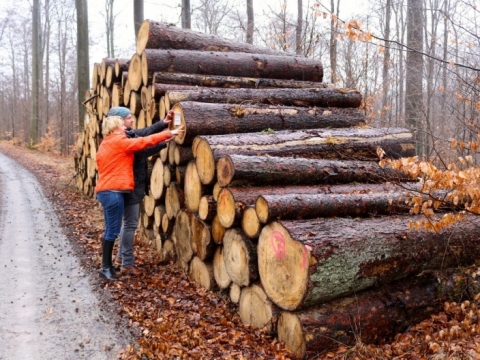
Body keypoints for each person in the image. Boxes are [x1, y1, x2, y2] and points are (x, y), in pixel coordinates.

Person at [95, 115, 184, 281]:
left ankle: (109, 267)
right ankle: (105, 268)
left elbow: (141, 138)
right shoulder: (117, 141)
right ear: (114, 128)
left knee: (111, 230)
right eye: (122, 125)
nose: (125, 128)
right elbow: (143, 142)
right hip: (112, 192)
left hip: (109, 191)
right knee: (112, 231)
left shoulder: (107, 142)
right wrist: (168, 133)